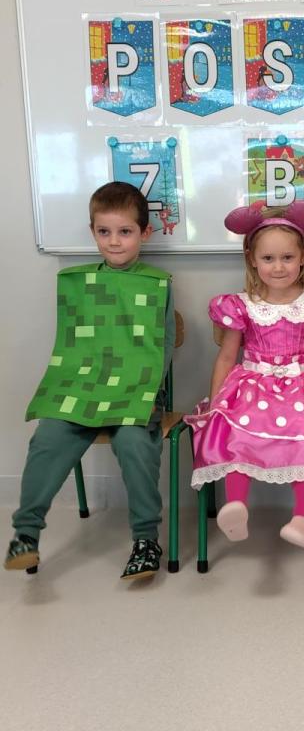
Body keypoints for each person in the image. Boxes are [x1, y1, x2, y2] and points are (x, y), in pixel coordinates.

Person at [5, 183, 176, 583]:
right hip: (83, 389)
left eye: (125, 232)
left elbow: (162, 346)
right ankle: (26, 534)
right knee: (48, 437)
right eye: (104, 232)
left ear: (145, 233)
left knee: (134, 444)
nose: (114, 241)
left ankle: (146, 539)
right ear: (92, 232)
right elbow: (77, 345)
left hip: (136, 392)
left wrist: (144, 388)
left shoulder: (156, 284)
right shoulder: (79, 283)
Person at [185, 202, 304, 549]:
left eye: (287, 258)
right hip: (252, 384)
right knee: (233, 426)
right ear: (252, 259)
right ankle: (236, 504)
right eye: (268, 258)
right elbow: (227, 356)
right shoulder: (241, 304)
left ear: (303, 256)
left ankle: (302, 517)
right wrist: (216, 401)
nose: (278, 267)